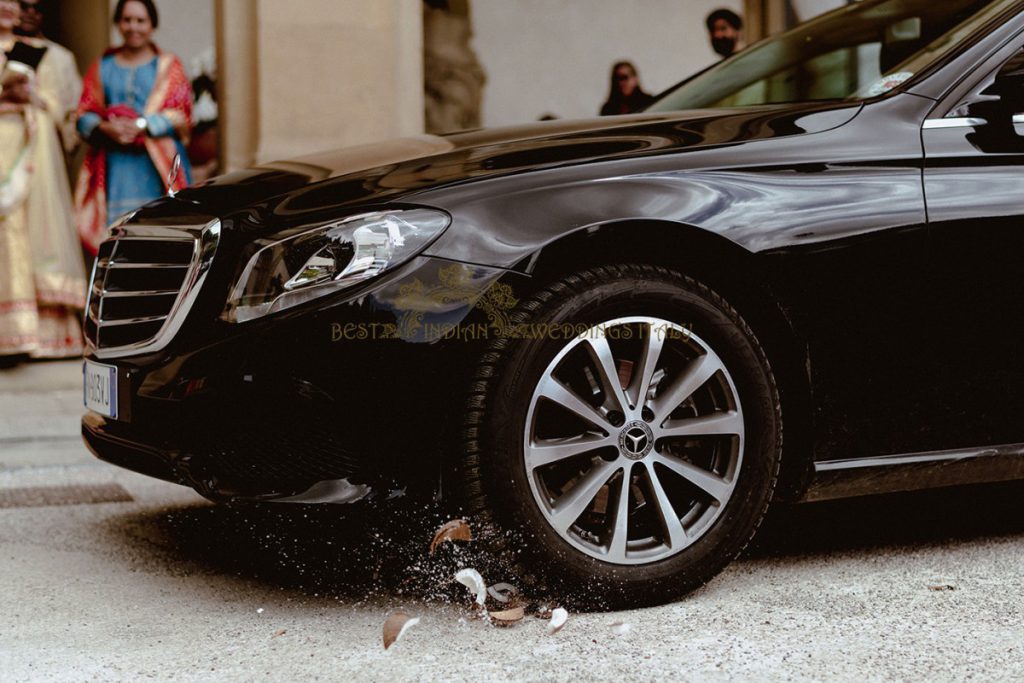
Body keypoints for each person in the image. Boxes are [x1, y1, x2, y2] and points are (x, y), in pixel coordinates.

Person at [0, 0, 86, 362]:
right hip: (5, 145)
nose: (12, 9)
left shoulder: (51, 55)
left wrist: (33, 96)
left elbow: (71, 118)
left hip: (35, 151)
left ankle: (43, 332)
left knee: (35, 231)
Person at [75, 0, 193, 255]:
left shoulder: (168, 67)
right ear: (118, 23)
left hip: (158, 165)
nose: (133, 27)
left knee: (160, 238)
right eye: (127, 20)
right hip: (114, 166)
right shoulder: (103, 66)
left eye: (140, 20)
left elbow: (182, 114)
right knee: (118, 239)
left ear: (152, 25)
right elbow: (83, 113)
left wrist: (142, 125)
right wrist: (105, 128)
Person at [14, 0, 81, 154]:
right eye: (24, 6)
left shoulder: (62, 57)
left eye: (37, 8)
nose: (30, 13)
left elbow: (73, 108)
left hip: (48, 147)